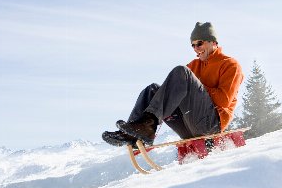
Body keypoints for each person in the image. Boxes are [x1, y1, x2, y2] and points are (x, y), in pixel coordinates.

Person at [102, 22, 244, 147]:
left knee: (181, 71)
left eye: (199, 43)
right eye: (193, 45)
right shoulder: (194, 65)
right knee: (152, 90)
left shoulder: (230, 65)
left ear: (213, 42)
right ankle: (133, 132)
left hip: (210, 125)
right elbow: (172, 93)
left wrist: (195, 86)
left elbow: (223, 101)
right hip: (187, 125)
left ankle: (146, 128)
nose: (196, 48)